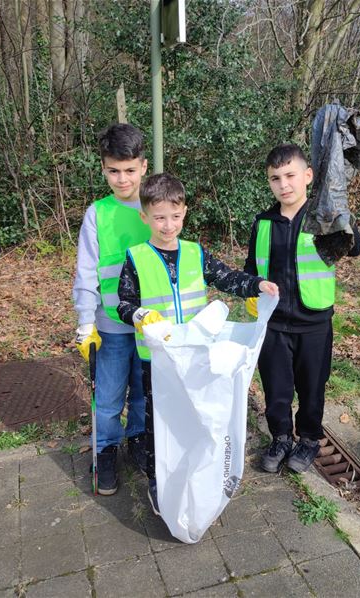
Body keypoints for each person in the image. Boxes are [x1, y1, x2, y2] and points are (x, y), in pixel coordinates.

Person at [117, 173, 278, 514]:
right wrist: (138, 315)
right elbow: (123, 303)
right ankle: (157, 480)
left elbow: (226, 277)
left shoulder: (194, 253)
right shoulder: (136, 257)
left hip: (195, 355)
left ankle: (191, 473)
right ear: (144, 217)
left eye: (175, 217)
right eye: (159, 217)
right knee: (156, 420)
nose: (167, 225)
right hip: (156, 360)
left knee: (191, 415)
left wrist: (257, 284)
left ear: (184, 213)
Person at [243, 144, 360, 475]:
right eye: (275, 178)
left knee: (312, 387)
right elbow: (252, 266)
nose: (284, 184)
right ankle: (281, 437)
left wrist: (341, 215)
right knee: (276, 388)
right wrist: (252, 290)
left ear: (308, 176)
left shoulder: (324, 219)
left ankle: (309, 439)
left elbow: (356, 247)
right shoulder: (263, 222)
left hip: (314, 323)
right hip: (273, 324)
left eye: (291, 176)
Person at [72, 123, 150, 495]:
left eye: (130, 170)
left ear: (143, 167)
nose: (122, 179)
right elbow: (86, 271)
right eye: (114, 171)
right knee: (108, 396)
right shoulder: (97, 214)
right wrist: (85, 321)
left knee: (143, 391)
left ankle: (138, 440)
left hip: (151, 325)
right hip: (112, 325)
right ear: (103, 168)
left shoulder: (154, 207)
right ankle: (106, 449)